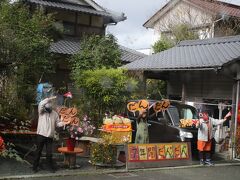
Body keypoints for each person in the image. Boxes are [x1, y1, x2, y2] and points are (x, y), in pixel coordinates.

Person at [33, 96, 64, 173]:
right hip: (41, 134)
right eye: (48, 103)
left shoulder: (55, 114)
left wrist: (65, 122)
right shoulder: (41, 112)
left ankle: (49, 167)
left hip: (50, 136)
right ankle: (35, 167)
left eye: (50, 103)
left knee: (49, 153)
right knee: (38, 151)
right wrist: (48, 99)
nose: (49, 105)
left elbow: (58, 124)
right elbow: (40, 104)